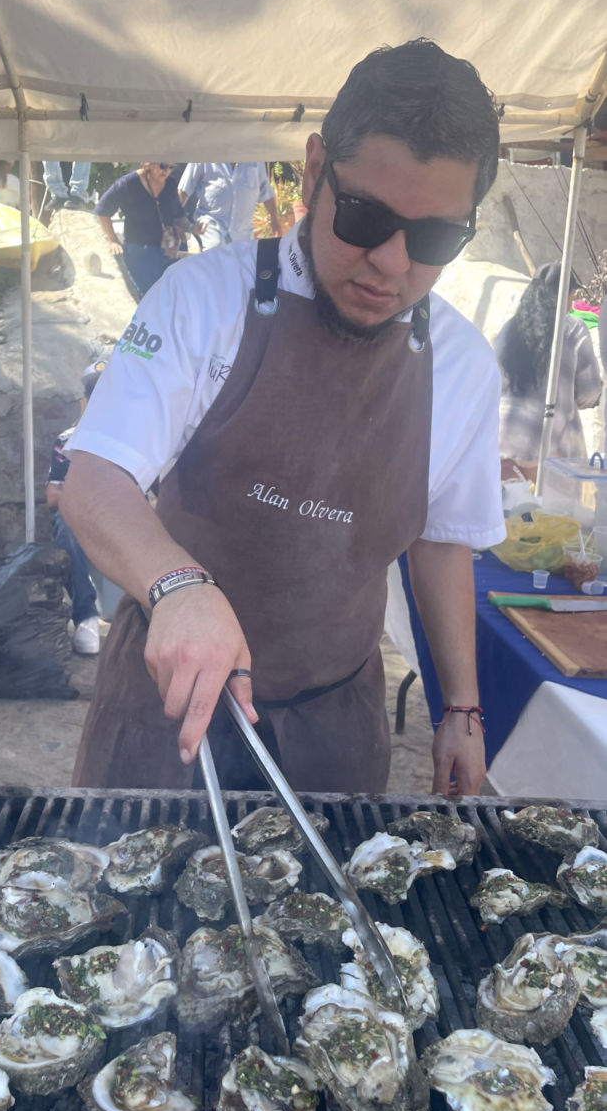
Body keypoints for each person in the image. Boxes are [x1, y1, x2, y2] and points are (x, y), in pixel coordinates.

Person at [62, 39, 505, 797]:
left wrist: (460, 705)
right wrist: (177, 585)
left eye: (434, 238)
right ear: (313, 170)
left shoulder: (463, 366)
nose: (392, 264)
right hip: (168, 714)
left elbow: (442, 541)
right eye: (364, 218)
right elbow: (94, 478)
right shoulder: (201, 299)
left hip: (335, 724)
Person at [495, 262, 602, 476]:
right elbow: (590, 392)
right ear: (566, 295)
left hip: (501, 443)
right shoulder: (573, 329)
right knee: (551, 509)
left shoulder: (508, 328)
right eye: (572, 298)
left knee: (512, 508)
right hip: (550, 448)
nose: (572, 306)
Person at [46, 359, 107, 656]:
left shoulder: (139, 439)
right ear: (85, 400)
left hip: (126, 521)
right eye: (94, 393)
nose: (100, 399)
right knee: (64, 524)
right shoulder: (67, 441)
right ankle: (86, 618)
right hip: (82, 517)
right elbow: (53, 498)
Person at [94, 163, 190, 299]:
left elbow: (178, 214)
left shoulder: (170, 184)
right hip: (139, 252)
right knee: (148, 297)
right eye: (163, 166)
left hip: (167, 251)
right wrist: (113, 240)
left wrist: (191, 228)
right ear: (149, 164)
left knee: (174, 295)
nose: (167, 171)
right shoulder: (128, 184)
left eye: (170, 167)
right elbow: (103, 211)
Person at [177, 162, 280, 248]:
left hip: (243, 233)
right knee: (215, 249)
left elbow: (265, 190)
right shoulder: (204, 153)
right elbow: (184, 189)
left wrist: (274, 220)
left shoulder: (254, 159)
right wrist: (175, 221)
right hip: (210, 225)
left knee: (240, 269)